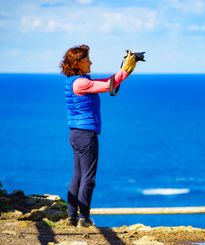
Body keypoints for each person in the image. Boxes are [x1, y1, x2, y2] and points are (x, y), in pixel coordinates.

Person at [60, 44, 137, 227]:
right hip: (86, 134)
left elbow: (107, 82)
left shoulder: (74, 81)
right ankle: (84, 218)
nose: (91, 62)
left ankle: (72, 216)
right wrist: (126, 70)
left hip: (76, 133)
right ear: (78, 63)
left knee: (78, 175)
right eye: (87, 60)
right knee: (88, 177)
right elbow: (107, 86)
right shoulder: (81, 83)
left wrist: (123, 70)